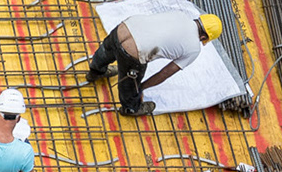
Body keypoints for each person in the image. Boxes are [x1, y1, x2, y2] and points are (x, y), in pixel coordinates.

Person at [87, 11, 219, 117]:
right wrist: (140, 87)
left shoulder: (180, 14)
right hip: (134, 51)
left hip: (125, 27)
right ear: (204, 37)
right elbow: (165, 73)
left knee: (106, 50)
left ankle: (95, 71)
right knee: (129, 84)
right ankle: (131, 108)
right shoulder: (194, 49)